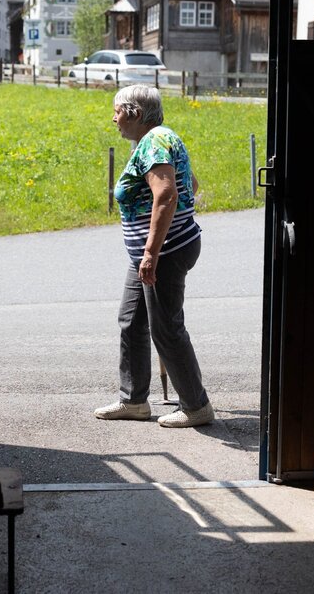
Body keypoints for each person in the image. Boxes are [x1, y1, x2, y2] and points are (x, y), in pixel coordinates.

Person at [94, 84, 215, 428]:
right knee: (131, 321)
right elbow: (190, 184)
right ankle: (134, 401)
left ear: (134, 113)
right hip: (158, 250)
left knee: (166, 328)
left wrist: (151, 252)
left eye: (117, 111)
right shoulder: (161, 138)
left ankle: (196, 406)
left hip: (165, 252)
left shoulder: (154, 142)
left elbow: (166, 195)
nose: (114, 118)